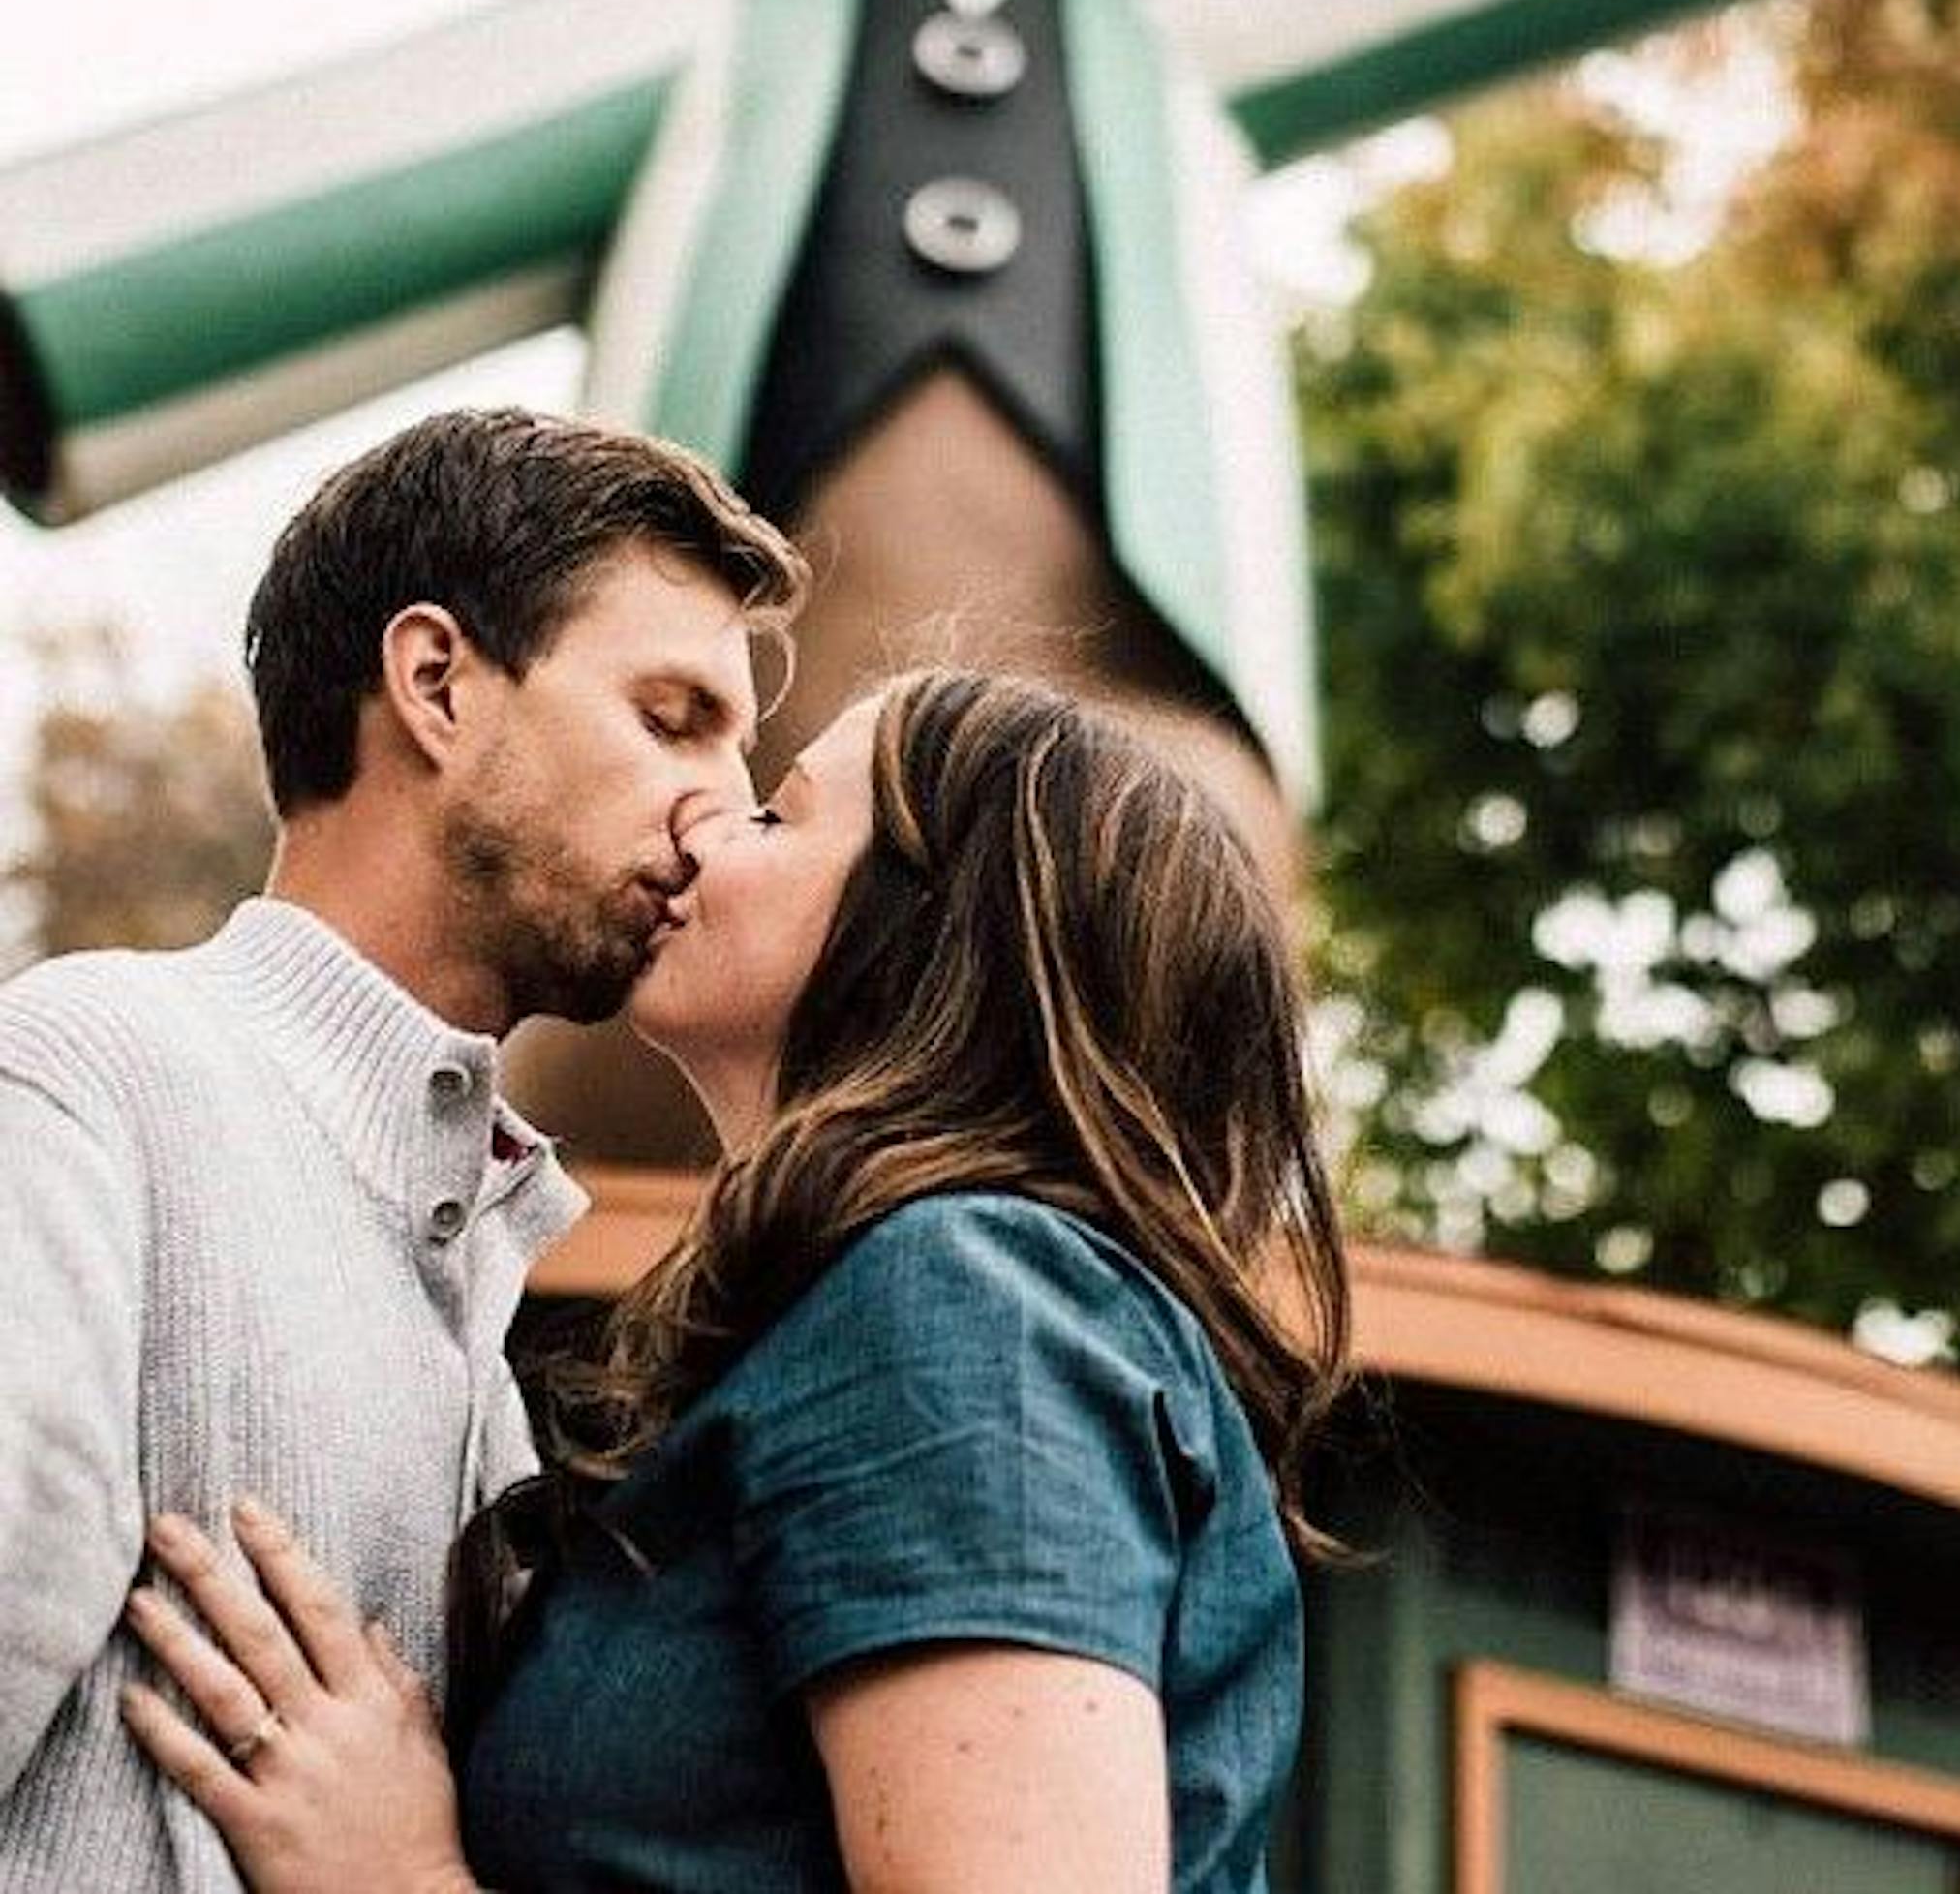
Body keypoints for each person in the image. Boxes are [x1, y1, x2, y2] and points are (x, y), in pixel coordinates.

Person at [122, 667, 1352, 1893]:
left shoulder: (968, 1299)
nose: (706, 818)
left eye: (779, 814)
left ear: (929, 932)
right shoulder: (895, 1310)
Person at [0, 405, 804, 1891]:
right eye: (671, 716)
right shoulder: (89, 1083)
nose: (719, 812)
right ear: (437, 681)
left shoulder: (474, 1265)